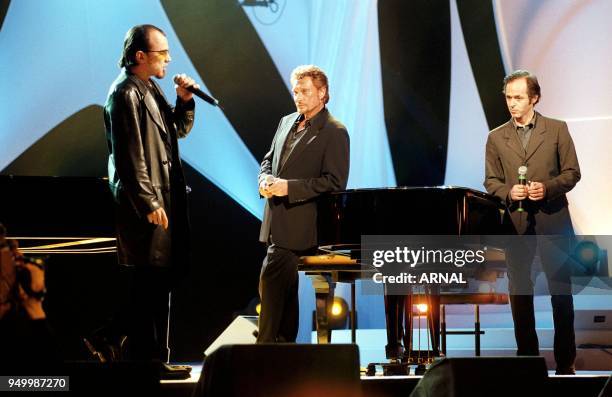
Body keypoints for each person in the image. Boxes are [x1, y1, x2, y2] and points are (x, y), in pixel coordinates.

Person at [93, 24, 197, 368]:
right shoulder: (124, 93)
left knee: (161, 278)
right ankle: (136, 352)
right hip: (145, 204)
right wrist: (148, 201)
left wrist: (184, 102)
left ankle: (135, 350)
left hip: (162, 200)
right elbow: (129, 155)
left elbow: (176, 130)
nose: (168, 59)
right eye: (162, 53)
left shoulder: (149, 88)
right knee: (150, 281)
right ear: (140, 56)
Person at [484, 70, 581, 374]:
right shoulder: (496, 137)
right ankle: (527, 358)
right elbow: (491, 181)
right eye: (508, 97)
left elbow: (572, 173)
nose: (512, 103)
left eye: (518, 97)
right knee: (520, 292)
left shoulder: (556, 130)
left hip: (554, 221)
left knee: (561, 293)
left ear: (534, 98)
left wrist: (548, 187)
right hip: (517, 224)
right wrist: (508, 192)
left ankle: (566, 362)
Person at [257, 65, 350, 343]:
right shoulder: (286, 121)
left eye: (305, 91)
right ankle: (284, 348)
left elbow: (334, 182)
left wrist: (290, 187)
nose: (298, 96)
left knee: (272, 280)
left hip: (305, 226)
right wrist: (264, 179)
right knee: (281, 288)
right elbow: (268, 159)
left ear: (322, 93)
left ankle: (263, 349)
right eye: (295, 91)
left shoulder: (334, 131)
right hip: (276, 221)